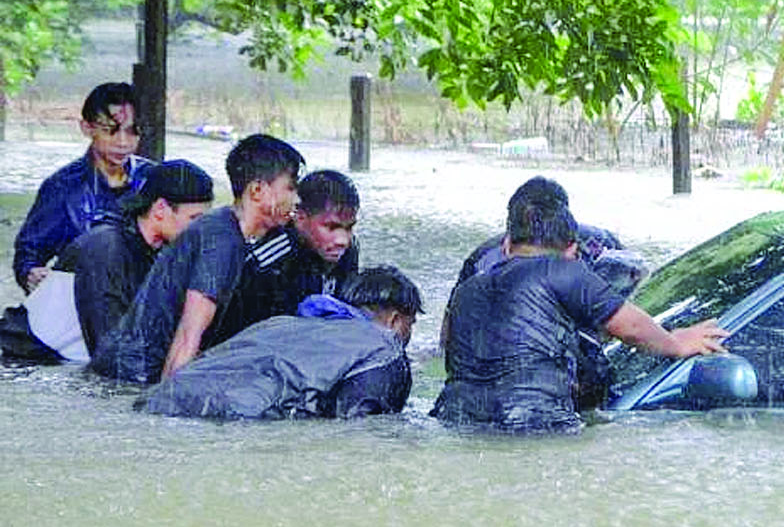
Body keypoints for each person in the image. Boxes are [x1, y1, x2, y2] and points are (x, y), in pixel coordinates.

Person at [432, 180, 726, 433]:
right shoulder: (565, 271)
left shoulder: (466, 291)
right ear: (572, 250)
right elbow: (632, 328)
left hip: (455, 420)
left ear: (507, 246)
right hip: (535, 423)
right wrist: (676, 343)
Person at [90, 134, 304, 384]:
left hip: (129, 367)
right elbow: (187, 337)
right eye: (290, 188)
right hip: (131, 375)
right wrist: (166, 403)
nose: (297, 199)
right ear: (257, 190)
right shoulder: (221, 242)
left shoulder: (226, 231)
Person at [0, 160, 214, 364]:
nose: (202, 229)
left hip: (63, 360)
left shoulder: (158, 250)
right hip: (28, 357)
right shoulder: (107, 249)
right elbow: (112, 351)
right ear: (160, 210)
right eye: (194, 219)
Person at [141, 265, 422, 420]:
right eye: (411, 324)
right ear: (395, 320)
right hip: (235, 418)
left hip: (161, 399)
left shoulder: (279, 324)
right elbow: (360, 436)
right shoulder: (384, 347)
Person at [12, 81, 152, 292]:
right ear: (87, 128)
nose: (123, 142)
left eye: (133, 131)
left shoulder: (153, 179)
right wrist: (31, 273)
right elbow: (30, 251)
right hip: (87, 296)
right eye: (110, 130)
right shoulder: (63, 187)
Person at [213, 168, 361, 339]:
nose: (342, 240)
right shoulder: (267, 263)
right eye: (331, 227)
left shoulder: (347, 251)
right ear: (300, 218)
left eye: (349, 228)